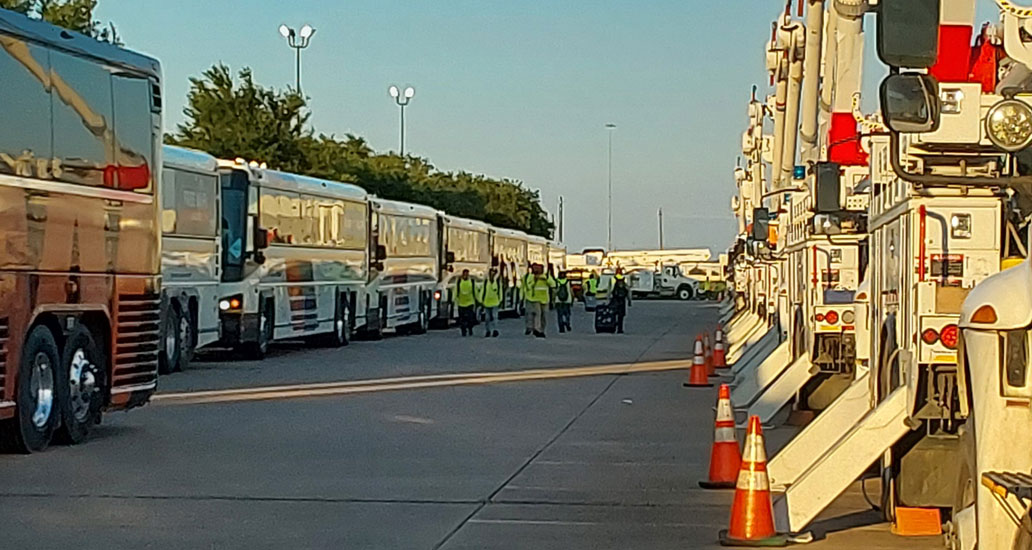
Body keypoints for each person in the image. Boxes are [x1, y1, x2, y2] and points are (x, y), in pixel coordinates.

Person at [522, 263, 553, 338]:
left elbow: (553, 284)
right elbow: (528, 286)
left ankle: (542, 330)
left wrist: (546, 279)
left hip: (545, 299)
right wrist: (535, 280)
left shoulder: (546, 276)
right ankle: (537, 330)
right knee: (537, 314)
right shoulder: (530, 276)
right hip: (534, 299)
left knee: (544, 316)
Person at [478, 267, 502, 337]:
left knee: (495, 317)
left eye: (493, 273)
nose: (492, 274)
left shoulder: (497, 282)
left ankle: (495, 330)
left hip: (495, 302)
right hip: (487, 302)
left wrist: (500, 300)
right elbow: (483, 290)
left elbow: (500, 291)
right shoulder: (486, 282)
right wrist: (480, 300)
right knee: (487, 318)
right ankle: (488, 330)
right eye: (491, 273)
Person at [455, 269, 477, 336]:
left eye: (467, 274)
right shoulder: (459, 282)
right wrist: (454, 300)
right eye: (464, 274)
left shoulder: (472, 282)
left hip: (470, 302)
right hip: (461, 303)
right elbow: (455, 291)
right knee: (462, 319)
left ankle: (470, 329)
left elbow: (475, 291)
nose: (465, 276)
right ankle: (463, 330)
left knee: (470, 318)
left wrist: (479, 300)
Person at [609, 269, 632, 334]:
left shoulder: (612, 279)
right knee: (621, 316)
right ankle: (620, 329)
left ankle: (612, 327)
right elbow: (628, 290)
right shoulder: (624, 280)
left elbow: (610, 290)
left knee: (613, 314)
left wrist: (608, 299)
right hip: (622, 301)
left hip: (614, 299)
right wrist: (629, 300)